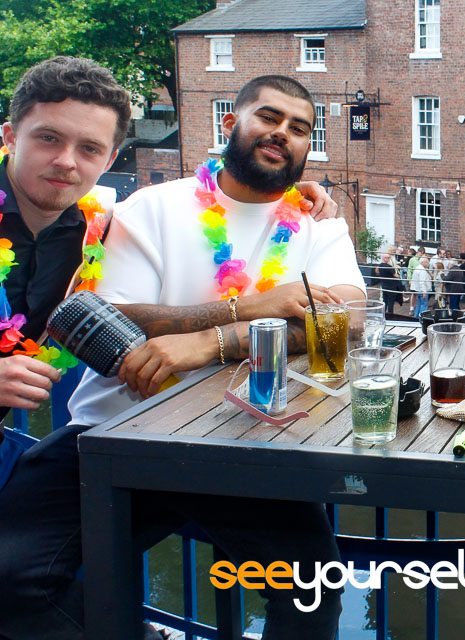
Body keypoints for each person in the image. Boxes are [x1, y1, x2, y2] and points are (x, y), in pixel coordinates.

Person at [56, 73, 357, 639]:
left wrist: (208, 344)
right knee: (17, 572)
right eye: (268, 117)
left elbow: (349, 319)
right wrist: (253, 307)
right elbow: (109, 316)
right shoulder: (152, 207)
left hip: (249, 445)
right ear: (230, 123)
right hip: (117, 437)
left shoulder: (318, 225)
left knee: (314, 594)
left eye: (299, 128)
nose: (282, 133)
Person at [374, 251, 403, 315]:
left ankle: (383, 314)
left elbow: (377, 272)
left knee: (385, 301)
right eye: (388, 258)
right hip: (391, 287)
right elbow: (396, 275)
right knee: (391, 302)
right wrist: (399, 275)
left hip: (384, 286)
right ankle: (390, 315)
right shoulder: (389, 267)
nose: (389, 259)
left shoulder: (380, 266)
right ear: (384, 258)